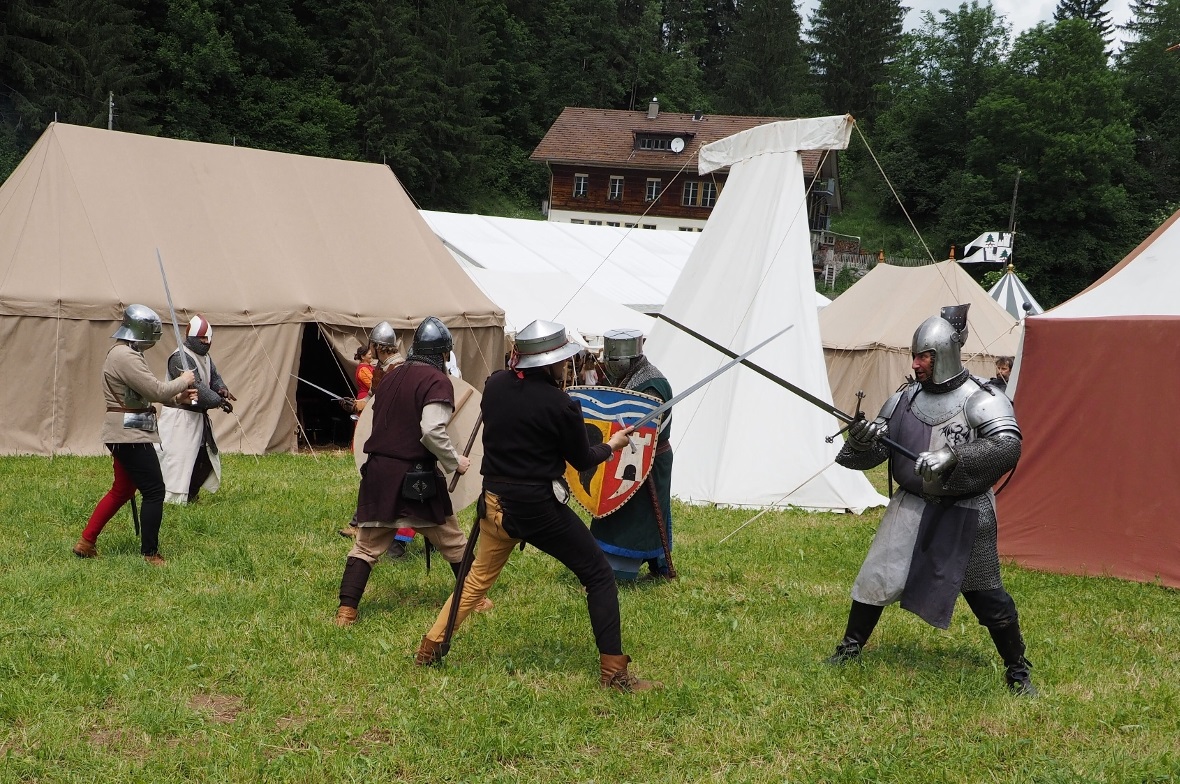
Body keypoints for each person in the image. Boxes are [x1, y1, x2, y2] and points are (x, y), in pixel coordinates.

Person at [413, 319, 660, 692]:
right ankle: (614, 673)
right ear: (549, 363)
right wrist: (613, 445)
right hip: (535, 509)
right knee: (598, 575)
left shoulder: (494, 385)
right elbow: (582, 459)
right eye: (561, 360)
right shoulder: (561, 405)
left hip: (494, 504)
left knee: (477, 579)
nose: (565, 366)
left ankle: (430, 647)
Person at [827, 305, 1036, 695]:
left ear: (943, 355)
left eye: (924, 356)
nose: (916, 364)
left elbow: (1007, 447)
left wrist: (954, 456)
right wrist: (860, 439)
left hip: (965, 509)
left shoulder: (982, 398)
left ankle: (1017, 669)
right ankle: (850, 647)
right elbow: (872, 455)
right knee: (876, 577)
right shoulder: (905, 397)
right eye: (915, 356)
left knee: (985, 594)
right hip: (910, 503)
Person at [334, 317, 491, 626]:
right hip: (416, 479)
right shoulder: (436, 381)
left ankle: (346, 612)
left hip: (377, 474)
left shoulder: (391, 377)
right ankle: (476, 599)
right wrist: (454, 461)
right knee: (453, 540)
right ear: (443, 354)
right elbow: (432, 431)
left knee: (365, 546)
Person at [72, 304, 196, 565]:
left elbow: (141, 397)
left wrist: (179, 398)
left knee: (122, 489)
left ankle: (86, 542)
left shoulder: (127, 354)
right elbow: (156, 391)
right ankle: (150, 554)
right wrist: (184, 379)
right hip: (130, 434)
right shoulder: (124, 356)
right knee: (154, 491)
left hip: (129, 430)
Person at [589, 328, 675, 581]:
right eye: (607, 359)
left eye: (614, 361)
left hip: (647, 459)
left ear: (630, 359)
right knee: (621, 510)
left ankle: (629, 567)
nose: (608, 365)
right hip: (621, 455)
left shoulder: (652, 384)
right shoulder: (624, 378)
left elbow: (644, 431)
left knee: (643, 514)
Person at [338, 321, 416, 552]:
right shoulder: (381, 369)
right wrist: (353, 406)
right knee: (371, 480)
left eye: (372, 346)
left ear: (379, 347)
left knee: (402, 491)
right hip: (383, 438)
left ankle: (398, 544)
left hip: (399, 440)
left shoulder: (400, 370)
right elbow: (371, 402)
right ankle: (359, 524)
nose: (369, 350)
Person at [156, 314, 235, 505]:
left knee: (204, 459)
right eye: (202, 338)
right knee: (178, 461)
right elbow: (196, 388)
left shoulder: (205, 357)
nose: (206, 342)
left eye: (208, 338)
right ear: (192, 338)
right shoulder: (179, 358)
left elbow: (213, 377)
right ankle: (172, 498)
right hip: (179, 418)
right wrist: (217, 401)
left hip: (197, 419)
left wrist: (221, 389)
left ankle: (191, 493)